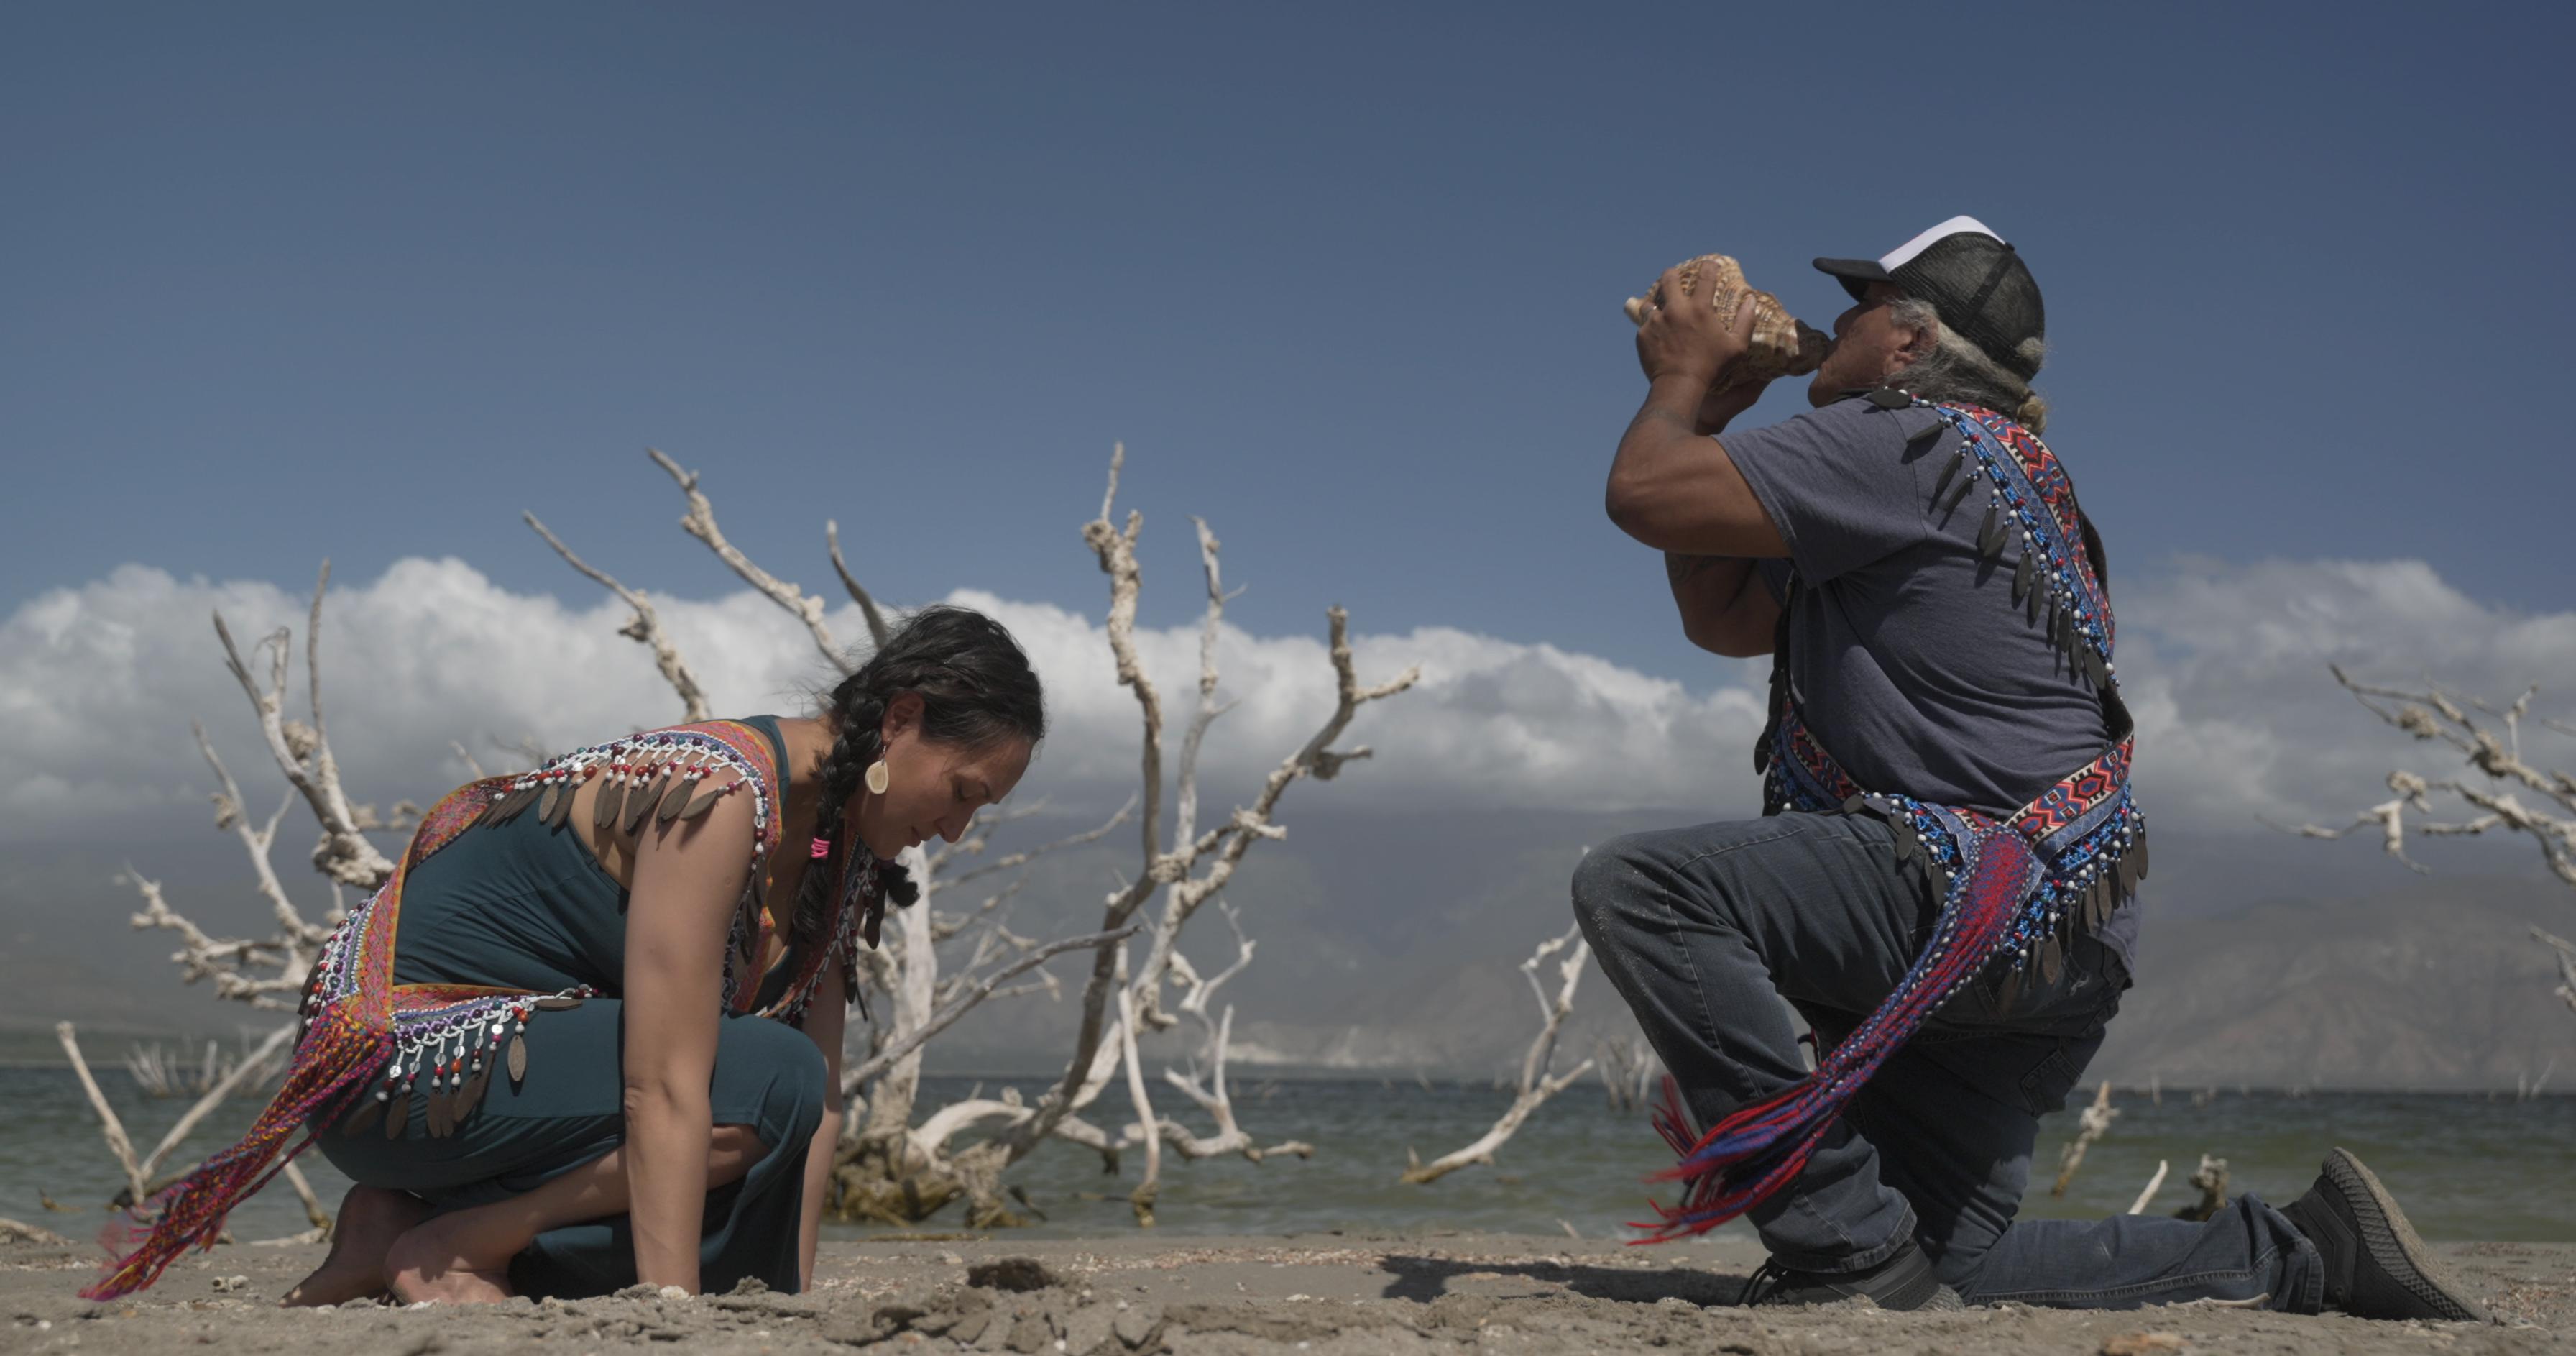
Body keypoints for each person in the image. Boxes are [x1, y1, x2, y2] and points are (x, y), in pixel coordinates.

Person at [1575, 217, 2485, 1320]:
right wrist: (1718, 409)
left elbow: (1645, 492)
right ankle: (2303, 1251)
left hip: (1967, 898)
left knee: (1648, 890)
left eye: (1861, 304)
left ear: (1907, 345)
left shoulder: (1898, 439)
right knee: (1957, 1264)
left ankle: (1841, 1245)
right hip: (2065, 930)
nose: (1841, 324)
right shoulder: (2000, 477)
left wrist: (1679, 376)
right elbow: (1723, 612)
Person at [83, 605, 1043, 1305]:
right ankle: (457, 1239)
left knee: (751, 1204)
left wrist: (783, 1294)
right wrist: (671, 1315)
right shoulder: (721, 794)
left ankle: (395, 1229)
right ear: (904, 718)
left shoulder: (840, 853)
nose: (955, 828)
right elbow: (670, 1086)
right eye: (963, 792)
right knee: (758, 1082)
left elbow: (822, 1113)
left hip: (506, 1089)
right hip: (398, 1051)